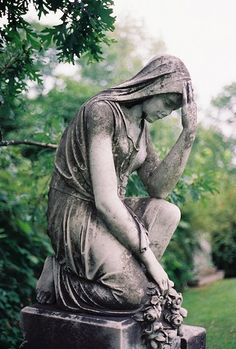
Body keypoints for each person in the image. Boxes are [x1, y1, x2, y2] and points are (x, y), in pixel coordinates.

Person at [36, 54, 197, 314]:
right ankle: (59, 277)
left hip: (110, 210)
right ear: (153, 86)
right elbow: (105, 201)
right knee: (132, 294)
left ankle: (141, 284)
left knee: (168, 212)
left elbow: (159, 189)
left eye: (173, 110)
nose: (166, 113)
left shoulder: (141, 127)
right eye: (167, 103)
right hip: (77, 209)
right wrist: (151, 260)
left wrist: (188, 134)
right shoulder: (102, 111)